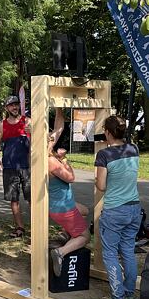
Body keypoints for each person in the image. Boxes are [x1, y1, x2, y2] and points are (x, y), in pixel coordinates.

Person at [95, 115, 140, 299]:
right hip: (134, 208)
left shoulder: (104, 155)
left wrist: (96, 180)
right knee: (128, 252)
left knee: (110, 254)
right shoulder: (134, 149)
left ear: (107, 132)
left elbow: (101, 186)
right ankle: (129, 297)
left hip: (115, 210)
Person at [49, 109, 90, 276]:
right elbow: (71, 178)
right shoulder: (50, 161)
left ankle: (66, 235)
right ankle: (60, 253)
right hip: (63, 208)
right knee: (85, 237)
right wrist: (65, 160)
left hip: (59, 204)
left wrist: (59, 110)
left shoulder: (38, 154)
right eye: (49, 139)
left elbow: (58, 129)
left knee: (85, 211)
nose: (52, 140)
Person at [0, 95, 31, 238]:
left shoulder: (27, 121)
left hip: (27, 167)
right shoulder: (2, 125)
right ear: (6, 108)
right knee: (14, 199)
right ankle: (20, 228)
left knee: (31, 198)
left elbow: (38, 140)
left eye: (16, 104)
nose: (14, 107)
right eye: (11, 105)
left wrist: (31, 132)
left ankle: (37, 227)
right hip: (9, 167)